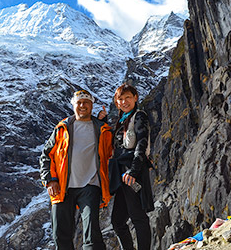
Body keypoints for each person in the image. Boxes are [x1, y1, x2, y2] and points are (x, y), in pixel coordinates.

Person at [39, 89, 113, 250]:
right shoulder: (62, 128)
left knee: (92, 234)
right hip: (62, 187)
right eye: (79, 102)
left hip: (90, 186)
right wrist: (50, 180)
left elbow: (111, 153)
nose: (82, 105)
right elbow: (46, 155)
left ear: (92, 105)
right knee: (60, 234)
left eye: (86, 102)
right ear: (73, 105)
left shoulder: (102, 129)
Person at [104, 83, 154, 250]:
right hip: (122, 174)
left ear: (135, 98)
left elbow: (141, 143)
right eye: (120, 99)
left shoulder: (139, 116)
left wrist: (133, 170)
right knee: (117, 221)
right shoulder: (123, 120)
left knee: (138, 217)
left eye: (128, 98)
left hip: (132, 173)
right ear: (116, 102)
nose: (124, 102)